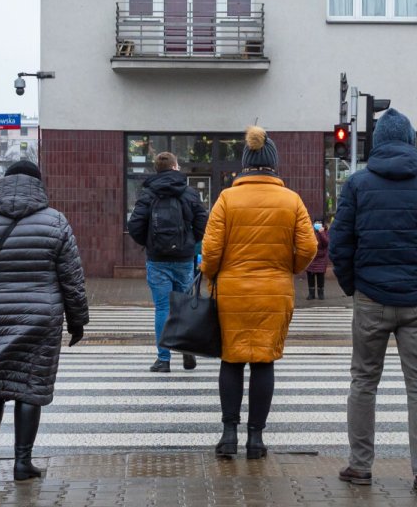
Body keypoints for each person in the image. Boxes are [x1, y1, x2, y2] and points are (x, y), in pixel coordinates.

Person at [330, 109, 417, 496]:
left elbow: (340, 243)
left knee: (363, 382)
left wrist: (353, 286)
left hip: (370, 297)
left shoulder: (358, 184)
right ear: (410, 141)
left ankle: (360, 466)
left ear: (376, 144)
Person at [0, 159, 90, 482]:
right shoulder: (55, 222)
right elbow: (72, 279)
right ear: (38, 185)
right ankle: (22, 463)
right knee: (30, 388)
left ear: (5, 183)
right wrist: (77, 321)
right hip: (40, 319)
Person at [200, 126, 317, 460]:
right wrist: (287, 267)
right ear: (274, 164)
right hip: (274, 292)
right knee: (264, 361)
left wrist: (211, 274)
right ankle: (256, 439)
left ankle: (228, 436)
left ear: (245, 163)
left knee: (231, 359)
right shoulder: (291, 200)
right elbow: (308, 247)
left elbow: (210, 250)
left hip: (232, 291)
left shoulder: (227, 199)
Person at [128, 151, 208, 372]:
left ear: (157, 169)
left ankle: (163, 360)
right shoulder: (188, 192)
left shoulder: (148, 193)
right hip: (183, 259)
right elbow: (203, 221)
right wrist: (190, 241)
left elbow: (134, 225)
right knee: (184, 306)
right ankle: (187, 348)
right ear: (174, 167)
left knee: (162, 308)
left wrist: (149, 242)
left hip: (157, 260)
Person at [305, 220, 330, 300]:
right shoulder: (310, 231)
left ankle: (321, 294)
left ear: (322, 225)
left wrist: (321, 233)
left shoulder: (325, 232)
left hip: (321, 258)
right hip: (311, 257)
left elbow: (326, 243)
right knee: (310, 276)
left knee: (320, 276)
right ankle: (311, 294)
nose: (317, 224)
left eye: (319, 223)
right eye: (316, 223)